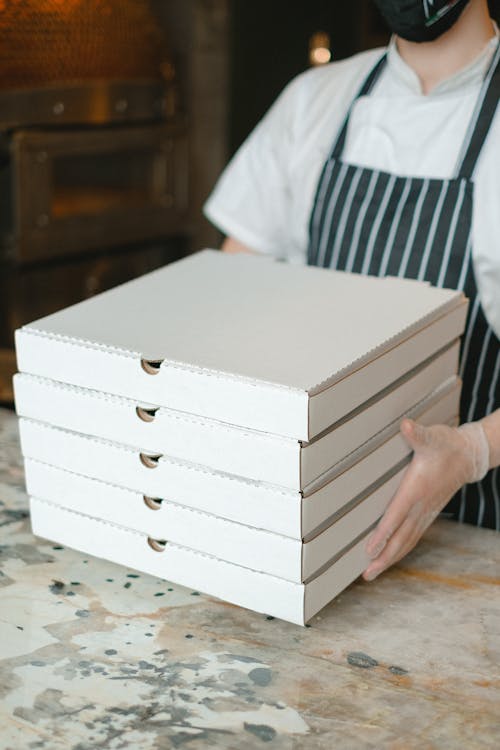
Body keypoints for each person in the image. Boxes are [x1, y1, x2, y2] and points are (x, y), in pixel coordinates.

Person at [204, 0, 500, 581]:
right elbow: (228, 292)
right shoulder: (316, 99)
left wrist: (470, 452)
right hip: (317, 530)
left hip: (474, 542)